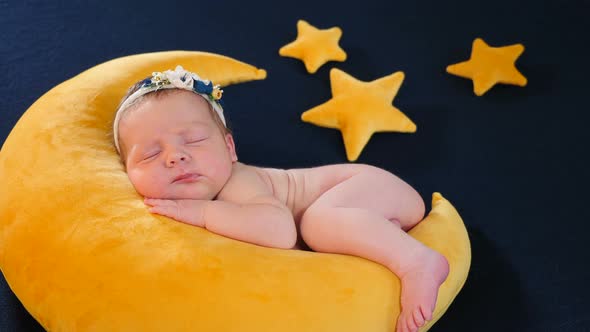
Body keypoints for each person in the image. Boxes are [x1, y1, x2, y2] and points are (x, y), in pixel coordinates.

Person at [112, 65, 449, 332]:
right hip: (366, 208)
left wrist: (200, 211)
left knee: (317, 223)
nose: (175, 157)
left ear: (229, 149)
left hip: (369, 187)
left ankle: (416, 261)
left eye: (195, 139)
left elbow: (279, 231)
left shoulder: (236, 182)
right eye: (150, 154)